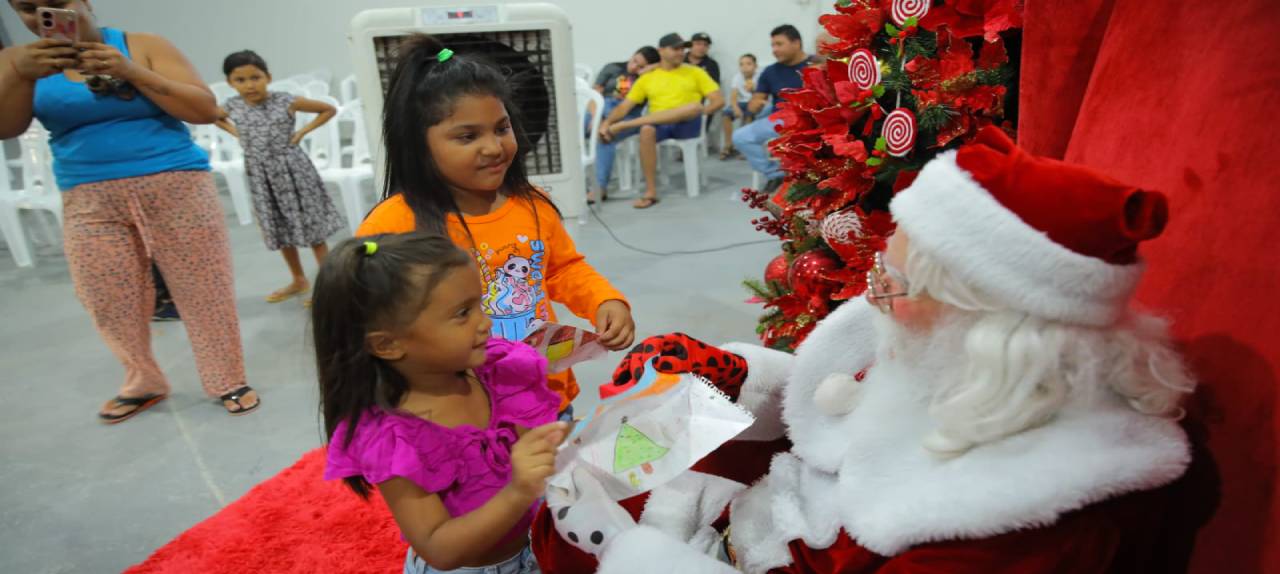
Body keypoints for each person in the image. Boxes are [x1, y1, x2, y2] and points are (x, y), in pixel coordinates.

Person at [531, 127, 1198, 573]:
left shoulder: (1010, 517)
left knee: (573, 521)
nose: (873, 296)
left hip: (773, 545)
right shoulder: (972, 357)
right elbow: (851, 402)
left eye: (896, 281)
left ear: (988, 318)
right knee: (615, 454)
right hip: (778, 501)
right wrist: (736, 375)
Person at [0, 0, 257, 421]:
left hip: (175, 183)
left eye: (57, 2)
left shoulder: (143, 46)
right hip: (87, 194)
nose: (42, 14)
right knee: (106, 295)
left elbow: (205, 109)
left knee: (202, 286)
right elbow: (5, 127)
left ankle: (226, 377)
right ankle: (143, 378)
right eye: (27, 8)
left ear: (84, 2)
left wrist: (132, 71)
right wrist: (21, 76)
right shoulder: (17, 62)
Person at [354, 35, 636, 417]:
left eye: (501, 128)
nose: (493, 147)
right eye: (468, 136)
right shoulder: (395, 224)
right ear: (418, 145)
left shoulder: (531, 203)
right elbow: (367, 317)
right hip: (460, 411)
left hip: (544, 395)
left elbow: (562, 267)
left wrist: (605, 300)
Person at [316, 233, 567, 574]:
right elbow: (439, 548)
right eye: (463, 313)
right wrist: (518, 491)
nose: (485, 322)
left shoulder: (496, 372)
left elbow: (533, 446)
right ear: (388, 345)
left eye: (479, 303)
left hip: (537, 547)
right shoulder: (392, 437)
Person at [216, 49, 346, 303]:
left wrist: (302, 132)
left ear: (268, 77)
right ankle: (298, 279)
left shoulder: (286, 101)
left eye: (255, 77)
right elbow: (212, 116)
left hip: (293, 172)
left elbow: (328, 109)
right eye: (240, 80)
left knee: (312, 229)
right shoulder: (232, 106)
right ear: (230, 83)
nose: (249, 85)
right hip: (261, 175)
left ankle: (329, 286)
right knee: (280, 229)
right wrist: (236, 133)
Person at [598, 32, 724, 209]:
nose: (680, 52)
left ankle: (626, 125)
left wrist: (703, 112)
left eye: (682, 49)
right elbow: (624, 107)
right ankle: (651, 192)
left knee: (694, 107)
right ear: (661, 51)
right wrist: (606, 123)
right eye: (675, 48)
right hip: (659, 125)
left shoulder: (695, 72)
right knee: (646, 130)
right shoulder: (648, 77)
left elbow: (718, 100)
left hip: (688, 124)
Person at [733, 24, 815, 193]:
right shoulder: (770, 72)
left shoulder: (816, 65)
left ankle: (807, 179)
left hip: (814, 120)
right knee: (741, 136)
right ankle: (774, 174)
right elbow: (758, 99)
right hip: (780, 120)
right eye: (773, 45)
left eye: (779, 44)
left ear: (796, 43)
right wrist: (754, 105)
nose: (774, 49)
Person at [587, 46, 659, 204]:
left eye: (641, 66)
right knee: (573, 128)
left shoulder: (648, 77)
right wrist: (595, 118)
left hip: (628, 115)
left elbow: (670, 65)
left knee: (604, 137)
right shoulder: (612, 67)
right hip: (599, 109)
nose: (634, 67)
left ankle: (600, 187)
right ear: (632, 55)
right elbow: (594, 95)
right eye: (634, 61)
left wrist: (651, 69)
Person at [720, 54, 760, 160]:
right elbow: (733, 96)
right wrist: (735, 107)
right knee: (726, 114)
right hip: (741, 103)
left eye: (748, 64)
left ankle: (746, 147)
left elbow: (760, 96)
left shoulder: (759, 77)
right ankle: (728, 145)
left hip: (754, 102)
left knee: (749, 114)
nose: (745, 67)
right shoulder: (737, 77)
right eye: (741, 64)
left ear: (755, 66)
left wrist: (752, 89)